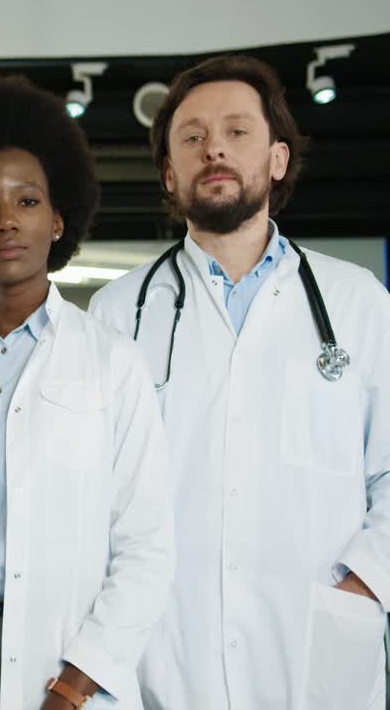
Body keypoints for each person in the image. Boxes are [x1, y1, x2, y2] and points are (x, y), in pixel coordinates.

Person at [89, 54, 390, 709]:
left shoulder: (358, 302)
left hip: (317, 652)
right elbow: (95, 497)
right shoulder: (117, 314)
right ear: (170, 174)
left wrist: (363, 586)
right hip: (168, 657)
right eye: (192, 137)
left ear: (278, 159)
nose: (214, 148)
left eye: (237, 131)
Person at [0, 77, 173, 710]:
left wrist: (76, 688)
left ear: (57, 219)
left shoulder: (113, 362)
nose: (5, 222)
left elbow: (145, 544)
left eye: (25, 201)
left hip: (70, 658)